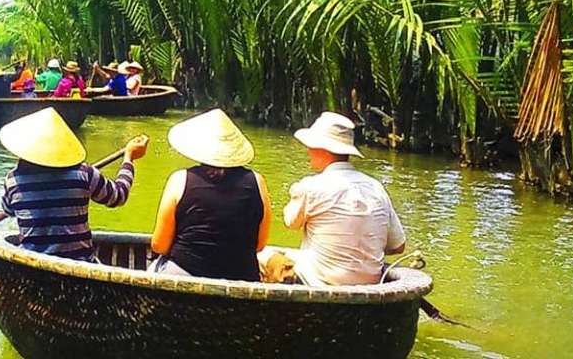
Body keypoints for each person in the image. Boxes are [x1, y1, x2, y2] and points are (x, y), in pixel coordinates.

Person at [263, 112, 406, 286]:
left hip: (319, 282)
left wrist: (295, 193)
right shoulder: (376, 187)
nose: (308, 151)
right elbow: (398, 246)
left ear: (323, 149)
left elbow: (290, 222)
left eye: (311, 146)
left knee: (263, 254)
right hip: (371, 283)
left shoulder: (311, 186)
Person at [0, 108, 148, 260]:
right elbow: (119, 196)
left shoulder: (12, 180)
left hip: (31, 264)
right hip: (79, 261)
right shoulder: (84, 173)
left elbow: (8, 210)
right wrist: (129, 158)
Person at [147, 109, 271, 281]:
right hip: (242, 277)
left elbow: (159, 245)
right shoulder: (258, 181)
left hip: (185, 275)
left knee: (154, 267)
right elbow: (260, 244)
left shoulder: (179, 180)